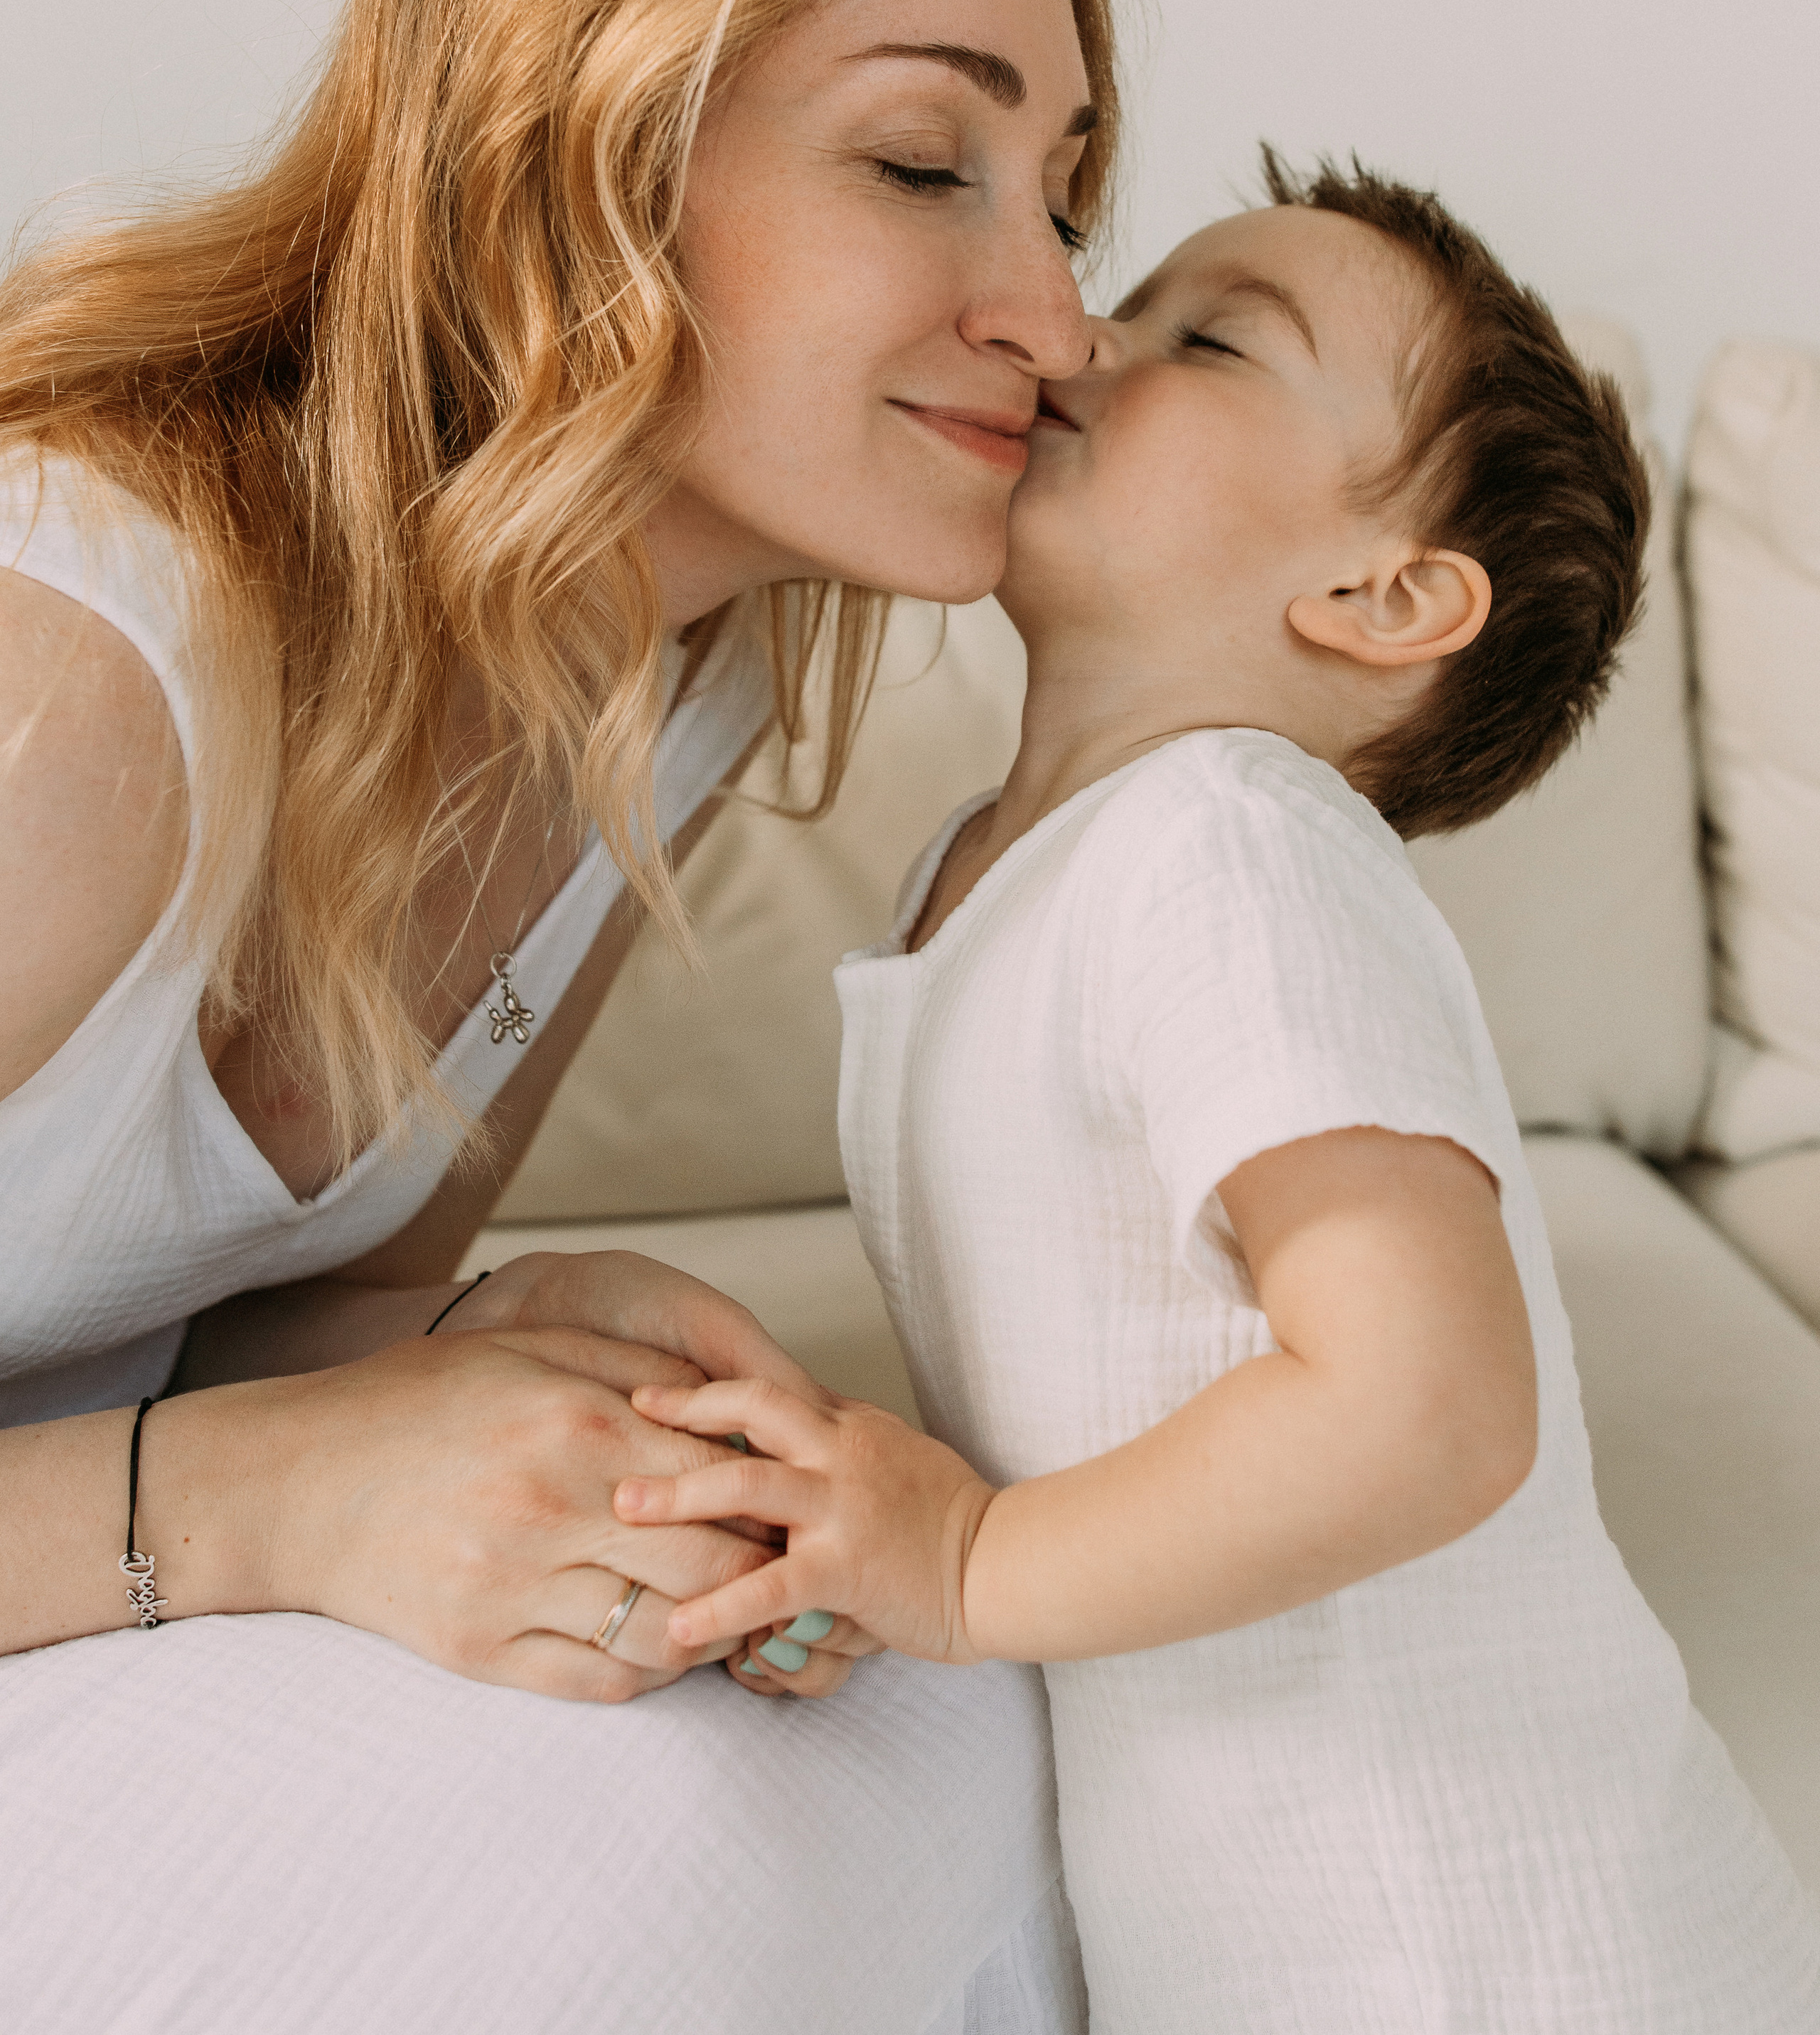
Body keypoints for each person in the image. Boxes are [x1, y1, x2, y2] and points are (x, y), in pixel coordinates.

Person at [0, 0, 1120, 2033]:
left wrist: (495, 1362)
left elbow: (268, 1319)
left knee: (951, 1698)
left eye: (1070, 199)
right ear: (574, 146)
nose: (1062, 320)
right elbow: (234, 1447)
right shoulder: (81, 665)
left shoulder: (659, 665)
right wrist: (253, 1499)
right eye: (929, 161)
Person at [614, 159, 1820, 2030]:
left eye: (1217, 338)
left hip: (1493, 1953)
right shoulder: (1001, 870)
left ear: (1382, 590)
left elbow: (1428, 1405)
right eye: (1139, 294)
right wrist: (888, 1526)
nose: (1087, 331)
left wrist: (968, 1560)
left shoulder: (1232, 839)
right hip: (1269, 1938)